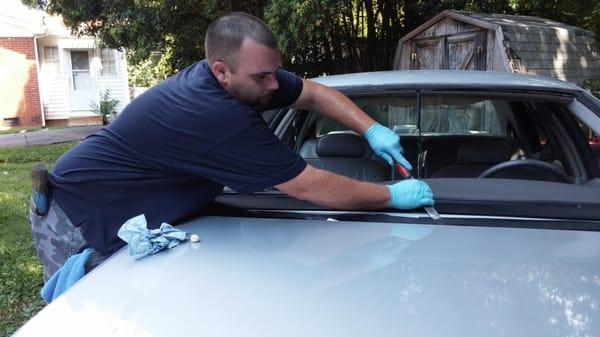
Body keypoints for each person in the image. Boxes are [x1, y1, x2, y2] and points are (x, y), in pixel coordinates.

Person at [29, 12, 434, 282]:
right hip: (78, 215)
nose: (275, 86)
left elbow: (312, 94)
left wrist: (372, 128)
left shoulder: (246, 82)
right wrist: (390, 196)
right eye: (263, 77)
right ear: (221, 71)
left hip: (130, 210)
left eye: (275, 73)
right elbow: (310, 187)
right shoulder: (215, 115)